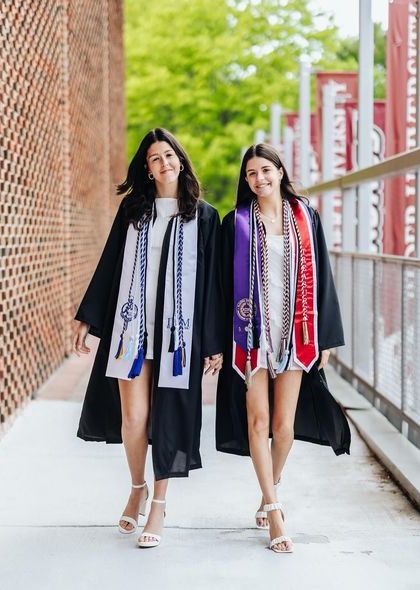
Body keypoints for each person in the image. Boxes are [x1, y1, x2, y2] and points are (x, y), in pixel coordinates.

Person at [73, 128, 222, 548]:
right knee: (134, 420)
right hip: (132, 330)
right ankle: (136, 487)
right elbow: (109, 266)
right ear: (147, 168)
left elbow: (213, 285)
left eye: (169, 155)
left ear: (181, 159)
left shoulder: (203, 216)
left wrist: (213, 342)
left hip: (180, 338)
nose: (164, 163)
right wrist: (88, 318)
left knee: (168, 419)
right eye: (155, 158)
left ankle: (157, 505)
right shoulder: (133, 210)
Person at [216, 143, 350, 554]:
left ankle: (268, 487)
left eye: (265, 170)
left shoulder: (305, 217)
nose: (259, 179)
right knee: (258, 424)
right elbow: (221, 285)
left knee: (283, 427)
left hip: (295, 331)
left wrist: (325, 336)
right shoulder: (235, 223)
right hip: (251, 335)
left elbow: (323, 274)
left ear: (279, 171)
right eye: (251, 173)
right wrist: (218, 342)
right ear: (246, 179)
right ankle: (274, 510)